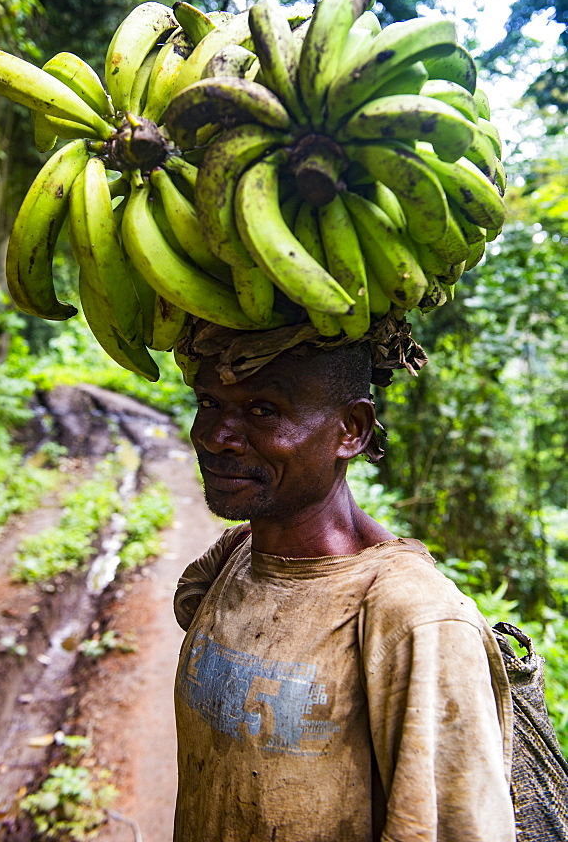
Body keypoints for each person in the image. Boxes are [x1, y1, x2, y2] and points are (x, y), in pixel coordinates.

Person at [172, 323, 516, 842]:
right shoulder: (232, 561)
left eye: (263, 410)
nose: (214, 436)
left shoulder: (415, 619)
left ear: (351, 429)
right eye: (209, 403)